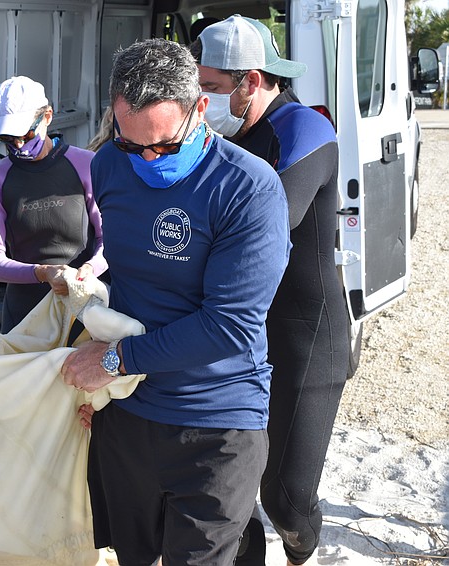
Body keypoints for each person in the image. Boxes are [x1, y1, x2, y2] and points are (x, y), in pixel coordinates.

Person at [60, 38, 291, 566]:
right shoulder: (107, 167)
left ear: (200, 110)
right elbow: (131, 280)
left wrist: (114, 360)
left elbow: (230, 326)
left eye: (163, 145)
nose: (146, 157)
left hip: (217, 420)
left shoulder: (248, 189)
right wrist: (105, 383)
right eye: (130, 141)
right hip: (129, 414)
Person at [191, 15, 349, 566]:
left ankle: (303, 546)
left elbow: (269, 228)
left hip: (306, 332)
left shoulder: (305, 129)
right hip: (240, 333)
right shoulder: (222, 135)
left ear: (251, 81)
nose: (202, 99)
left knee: (283, 499)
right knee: (232, 490)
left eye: (210, 88)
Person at [0, 76, 107, 332]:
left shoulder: (87, 164)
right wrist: (42, 272)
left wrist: (90, 268)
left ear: (47, 116)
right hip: (26, 316)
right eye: (9, 139)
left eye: (25, 134)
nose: (19, 145)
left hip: (87, 306)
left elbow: (109, 239)